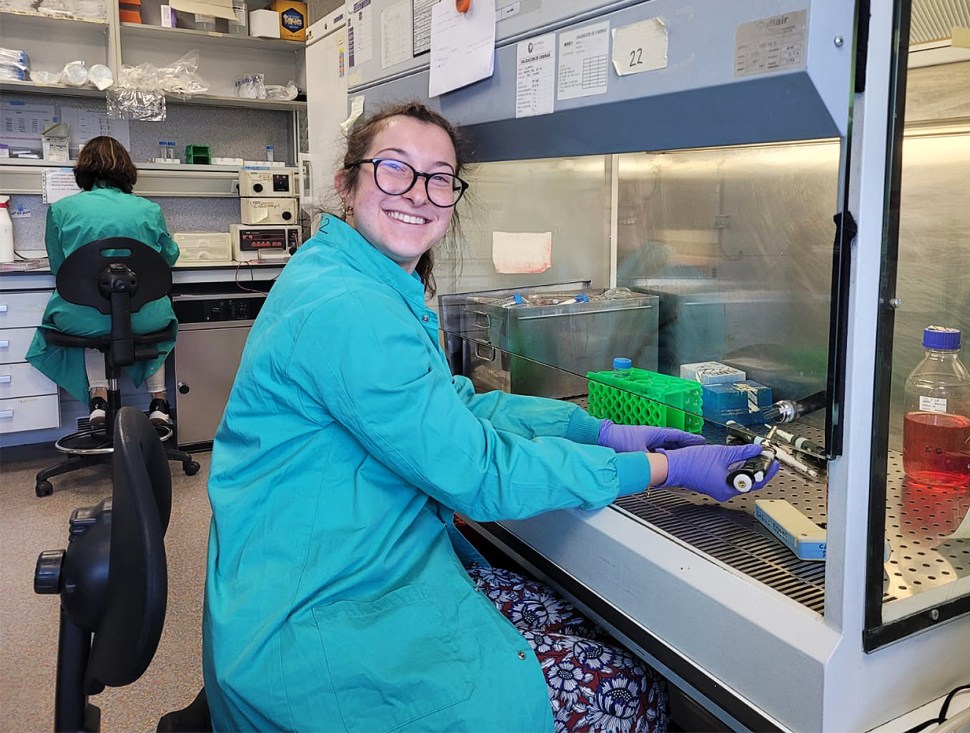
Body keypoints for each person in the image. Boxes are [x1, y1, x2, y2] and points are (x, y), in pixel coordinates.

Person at [202, 101, 780, 733]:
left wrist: (596, 429)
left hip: (345, 568)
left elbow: (456, 406)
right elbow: (479, 473)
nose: (418, 195)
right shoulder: (349, 307)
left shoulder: (353, 276)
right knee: (625, 686)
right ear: (347, 182)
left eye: (440, 178)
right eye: (394, 169)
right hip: (317, 616)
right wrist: (659, 466)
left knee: (573, 626)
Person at [26, 136, 179, 428]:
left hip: (84, 319)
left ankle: (98, 399)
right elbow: (167, 260)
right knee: (152, 310)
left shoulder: (61, 210)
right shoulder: (149, 210)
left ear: (84, 169)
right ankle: (159, 402)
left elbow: (61, 271)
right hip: (145, 319)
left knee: (92, 312)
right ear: (127, 169)